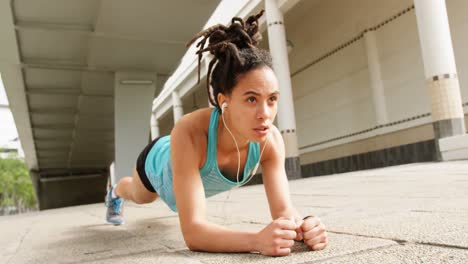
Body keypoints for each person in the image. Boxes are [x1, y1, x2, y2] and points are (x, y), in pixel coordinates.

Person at [104, 10, 328, 256]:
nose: (265, 113)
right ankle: (115, 192)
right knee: (140, 195)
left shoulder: (271, 140)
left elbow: (284, 213)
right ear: (224, 101)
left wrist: (304, 228)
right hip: (158, 162)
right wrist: (257, 241)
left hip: (184, 166)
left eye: (272, 99)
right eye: (251, 99)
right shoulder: (189, 131)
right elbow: (194, 233)